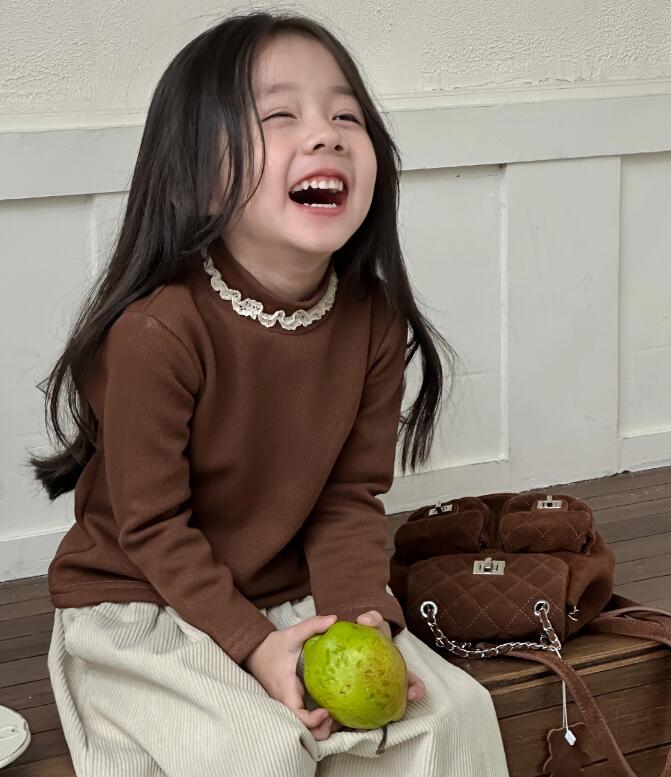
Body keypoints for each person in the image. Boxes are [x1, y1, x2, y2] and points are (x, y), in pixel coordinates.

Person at [30, 10, 510, 777]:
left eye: (345, 115)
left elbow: (346, 499)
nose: (324, 135)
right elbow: (152, 527)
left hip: (290, 593)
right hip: (147, 597)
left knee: (454, 716)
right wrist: (253, 645)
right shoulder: (158, 330)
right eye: (279, 116)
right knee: (256, 752)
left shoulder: (371, 318)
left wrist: (362, 619)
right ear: (195, 171)